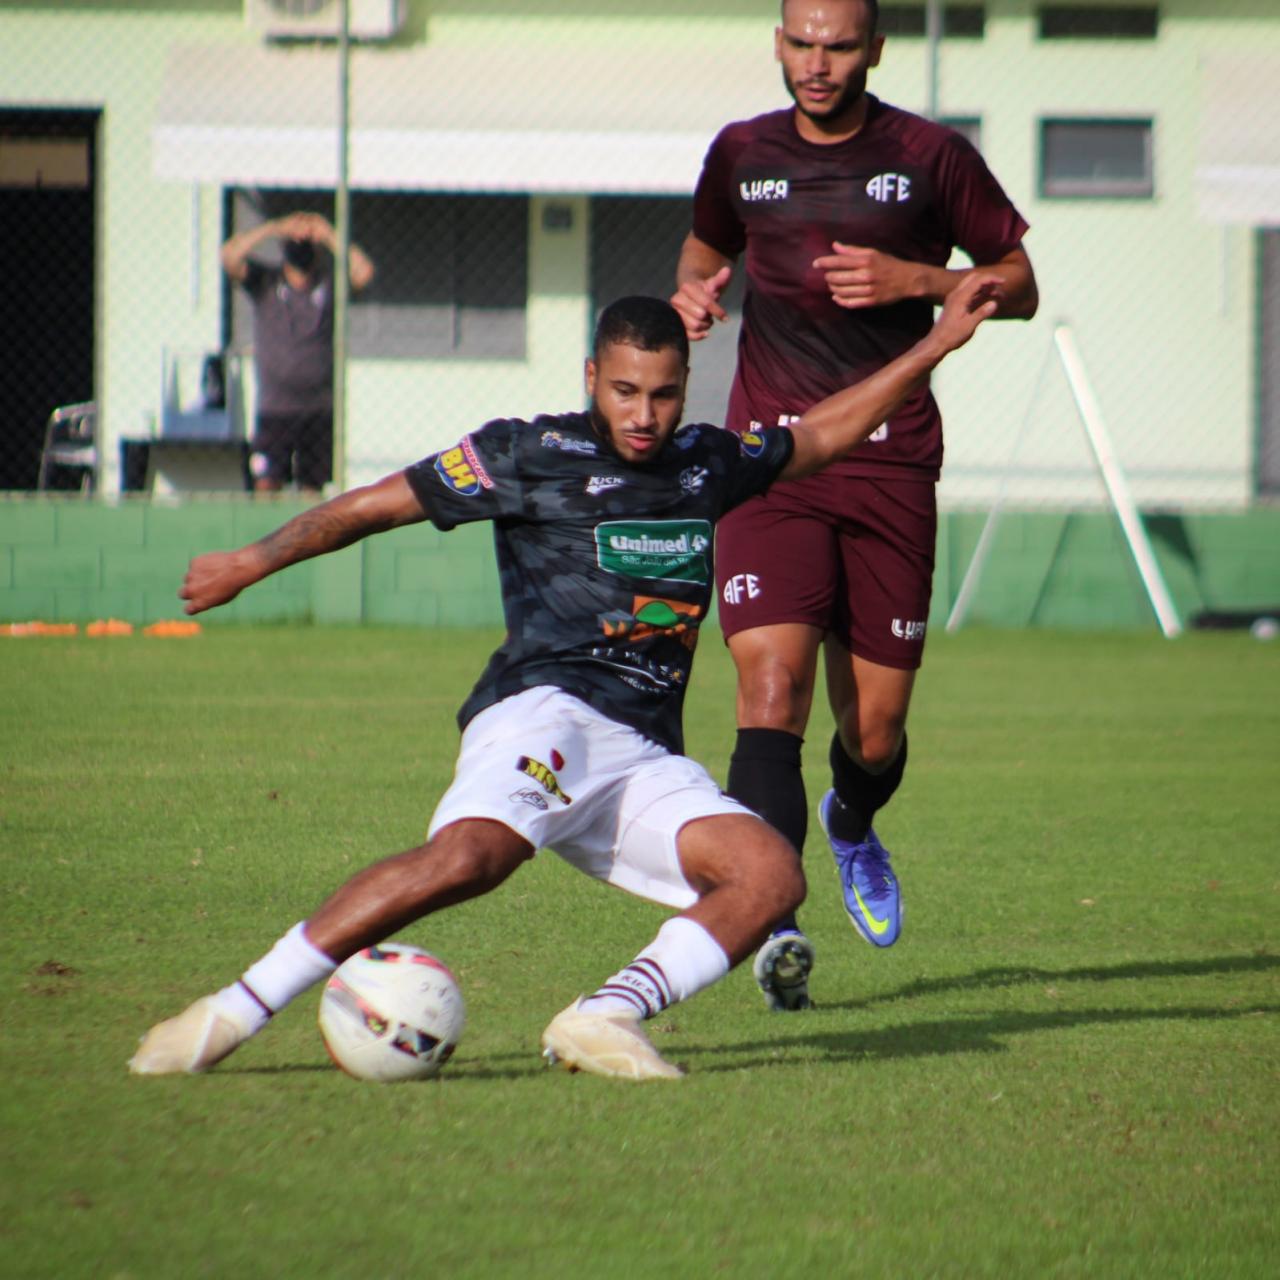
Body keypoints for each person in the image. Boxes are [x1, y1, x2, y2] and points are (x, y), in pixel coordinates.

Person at [128, 278, 997, 1084]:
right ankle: (230, 1014)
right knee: (473, 858)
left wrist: (934, 349)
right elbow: (373, 507)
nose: (645, 414)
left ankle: (604, 1016)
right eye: (624, 391)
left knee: (770, 876)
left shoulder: (709, 461)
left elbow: (822, 434)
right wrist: (254, 558)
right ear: (593, 375)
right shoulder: (525, 453)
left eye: (663, 392)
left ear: (686, 382)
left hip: (643, 753)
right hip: (547, 711)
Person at [671, 0, 1038, 1011]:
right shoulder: (740, 151)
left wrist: (917, 276)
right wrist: (692, 298)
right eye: (799, 42)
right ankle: (770, 917)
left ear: (873, 48)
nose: (815, 64)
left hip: (890, 465)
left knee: (872, 732)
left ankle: (852, 823)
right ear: (777, 40)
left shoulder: (930, 154)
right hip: (772, 463)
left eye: (837, 46)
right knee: (767, 695)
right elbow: (703, 254)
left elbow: (1019, 279)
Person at [220, 211, 375, 494]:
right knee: (267, 484)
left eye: (306, 238)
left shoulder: (328, 284)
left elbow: (363, 271)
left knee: (311, 490)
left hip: (318, 408)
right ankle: (267, 538)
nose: (300, 241)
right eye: (295, 238)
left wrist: (328, 234)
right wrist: (273, 228)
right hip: (275, 408)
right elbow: (229, 257)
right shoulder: (265, 281)